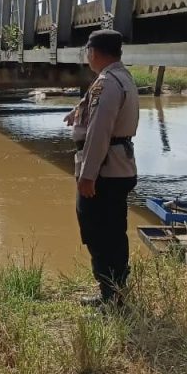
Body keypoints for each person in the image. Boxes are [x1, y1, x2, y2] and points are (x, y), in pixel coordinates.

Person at [65, 29, 139, 308]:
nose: (87, 56)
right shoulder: (122, 78)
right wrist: (78, 110)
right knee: (113, 231)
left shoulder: (107, 83)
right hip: (118, 167)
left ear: (94, 52)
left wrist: (87, 175)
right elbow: (100, 112)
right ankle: (114, 291)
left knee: (98, 231)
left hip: (105, 172)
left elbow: (99, 132)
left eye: (88, 51)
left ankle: (110, 295)